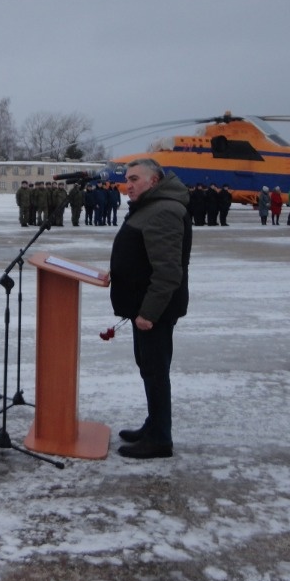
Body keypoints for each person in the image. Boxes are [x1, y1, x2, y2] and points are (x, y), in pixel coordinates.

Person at [108, 158, 191, 459]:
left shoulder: (164, 210)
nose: (127, 185)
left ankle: (159, 439)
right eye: (127, 179)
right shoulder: (151, 207)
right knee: (149, 369)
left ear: (153, 182)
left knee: (155, 371)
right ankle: (154, 424)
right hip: (143, 307)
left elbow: (168, 271)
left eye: (134, 179)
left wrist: (149, 314)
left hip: (153, 310)